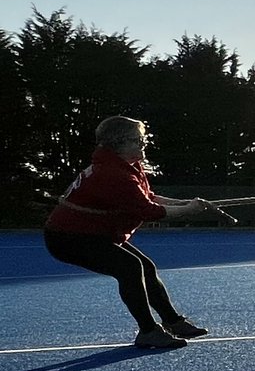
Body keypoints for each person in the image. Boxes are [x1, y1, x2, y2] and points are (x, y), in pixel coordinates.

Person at [43, 116, 215, 348]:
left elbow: (147, 197)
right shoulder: (113, 174)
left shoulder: (126, 165)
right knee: (130, 268)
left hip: (94, 233)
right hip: (69, 238)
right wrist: (190, 211)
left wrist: (184, 203)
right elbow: (149, 211)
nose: (144, 144)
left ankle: (173, 321)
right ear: (120, 143)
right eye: (139, 140)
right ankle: (148, 331)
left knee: (146, 267)